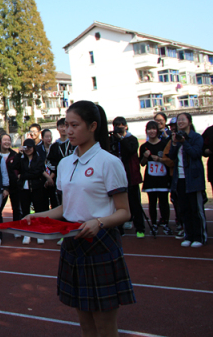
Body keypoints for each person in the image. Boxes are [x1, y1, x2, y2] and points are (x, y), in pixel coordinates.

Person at [25, 100, 135, 337]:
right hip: (73, 245)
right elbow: (66, 208)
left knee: (105, 327)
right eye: (66, 125)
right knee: (85, 324)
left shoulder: (109, 162)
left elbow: (124, 211)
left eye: (75, 125)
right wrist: (36, 217)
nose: (69, 130)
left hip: (101, 244)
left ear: (93, 126)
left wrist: (99, 222)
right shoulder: (65, 163)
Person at [168, 113, 207, 248]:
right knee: (184, 209)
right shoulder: (177, 138)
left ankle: (199, 237)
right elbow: (172, 157)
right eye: (178, 120)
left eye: (183, 119)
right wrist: (174, 143)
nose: (180, 122)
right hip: (180, 179)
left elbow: (196, 153)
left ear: (189, 122)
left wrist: (185, 142)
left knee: (196, 209)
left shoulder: (196, 137)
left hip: (193, 178)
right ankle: (188, 236)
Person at [110, 117, 145, 238]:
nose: (119, 128)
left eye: (121, 126)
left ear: (126, 126)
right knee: (116, 204)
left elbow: (131, 150)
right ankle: (119, 228)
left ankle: (140, 228)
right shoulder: (111, 140)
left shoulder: (132, 139)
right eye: (116, 126)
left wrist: (121, 138)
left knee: (134, 202)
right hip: (115, 176)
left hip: (131, 175)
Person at [139, 121, 172, 235]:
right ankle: (153, 224)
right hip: (150, 179)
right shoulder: (144, 146)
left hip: (163, 178)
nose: (151, 131)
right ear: (146, 131)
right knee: (152, 202)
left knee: (164, 201)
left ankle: (166, 223)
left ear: (157, 130)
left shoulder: (164, 144)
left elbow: (169, 161)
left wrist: (160, 159)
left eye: (154, 129)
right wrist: (145, 156)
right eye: (149, 129)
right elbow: (142, 163)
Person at [15, 138, 46, 244]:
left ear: (34, 148)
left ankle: (38, 233)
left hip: (37, 188)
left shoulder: (38, 159)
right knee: (25, 211)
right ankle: (27, 233)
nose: (28, 149)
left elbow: (37, 172)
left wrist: (23, 175)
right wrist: (19, 154)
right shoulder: (22, 159)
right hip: (24, 189)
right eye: (26, 147)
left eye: (30, 147)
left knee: (38, 210)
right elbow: (14, 166)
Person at [48, 118, 75, 209]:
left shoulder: (74, 144)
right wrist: (58, 169)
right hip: (59, 177)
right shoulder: (54, 146)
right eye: (61, 126)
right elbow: (49, 161)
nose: (64, 129)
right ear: (57, 128)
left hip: (73, 176)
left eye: (65, 126)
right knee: (59, 202)